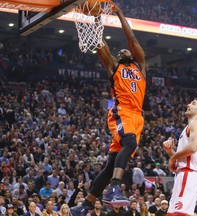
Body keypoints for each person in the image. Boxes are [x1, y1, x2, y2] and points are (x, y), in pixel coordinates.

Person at [70, 4, 146, 216]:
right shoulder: (114, 67)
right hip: (121, 112)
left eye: (126, 49)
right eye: (119, 50)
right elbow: (99, 42)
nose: (123, 50)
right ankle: (114, 188)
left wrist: (120, 12)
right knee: (129, 143)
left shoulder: (140, 66)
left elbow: (132, 38)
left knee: (112, 162)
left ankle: (86, 204)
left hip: (137, 116)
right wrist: (96, 19)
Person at [162, 98, 197, 216]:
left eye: (193, 103)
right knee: (173, 213)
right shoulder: (188, 127)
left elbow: (193, 147)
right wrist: (170, 151)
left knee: (179, 214)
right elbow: (184, 159)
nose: (188, 104)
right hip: (184, 174)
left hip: (189, 174)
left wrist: (172, 158)